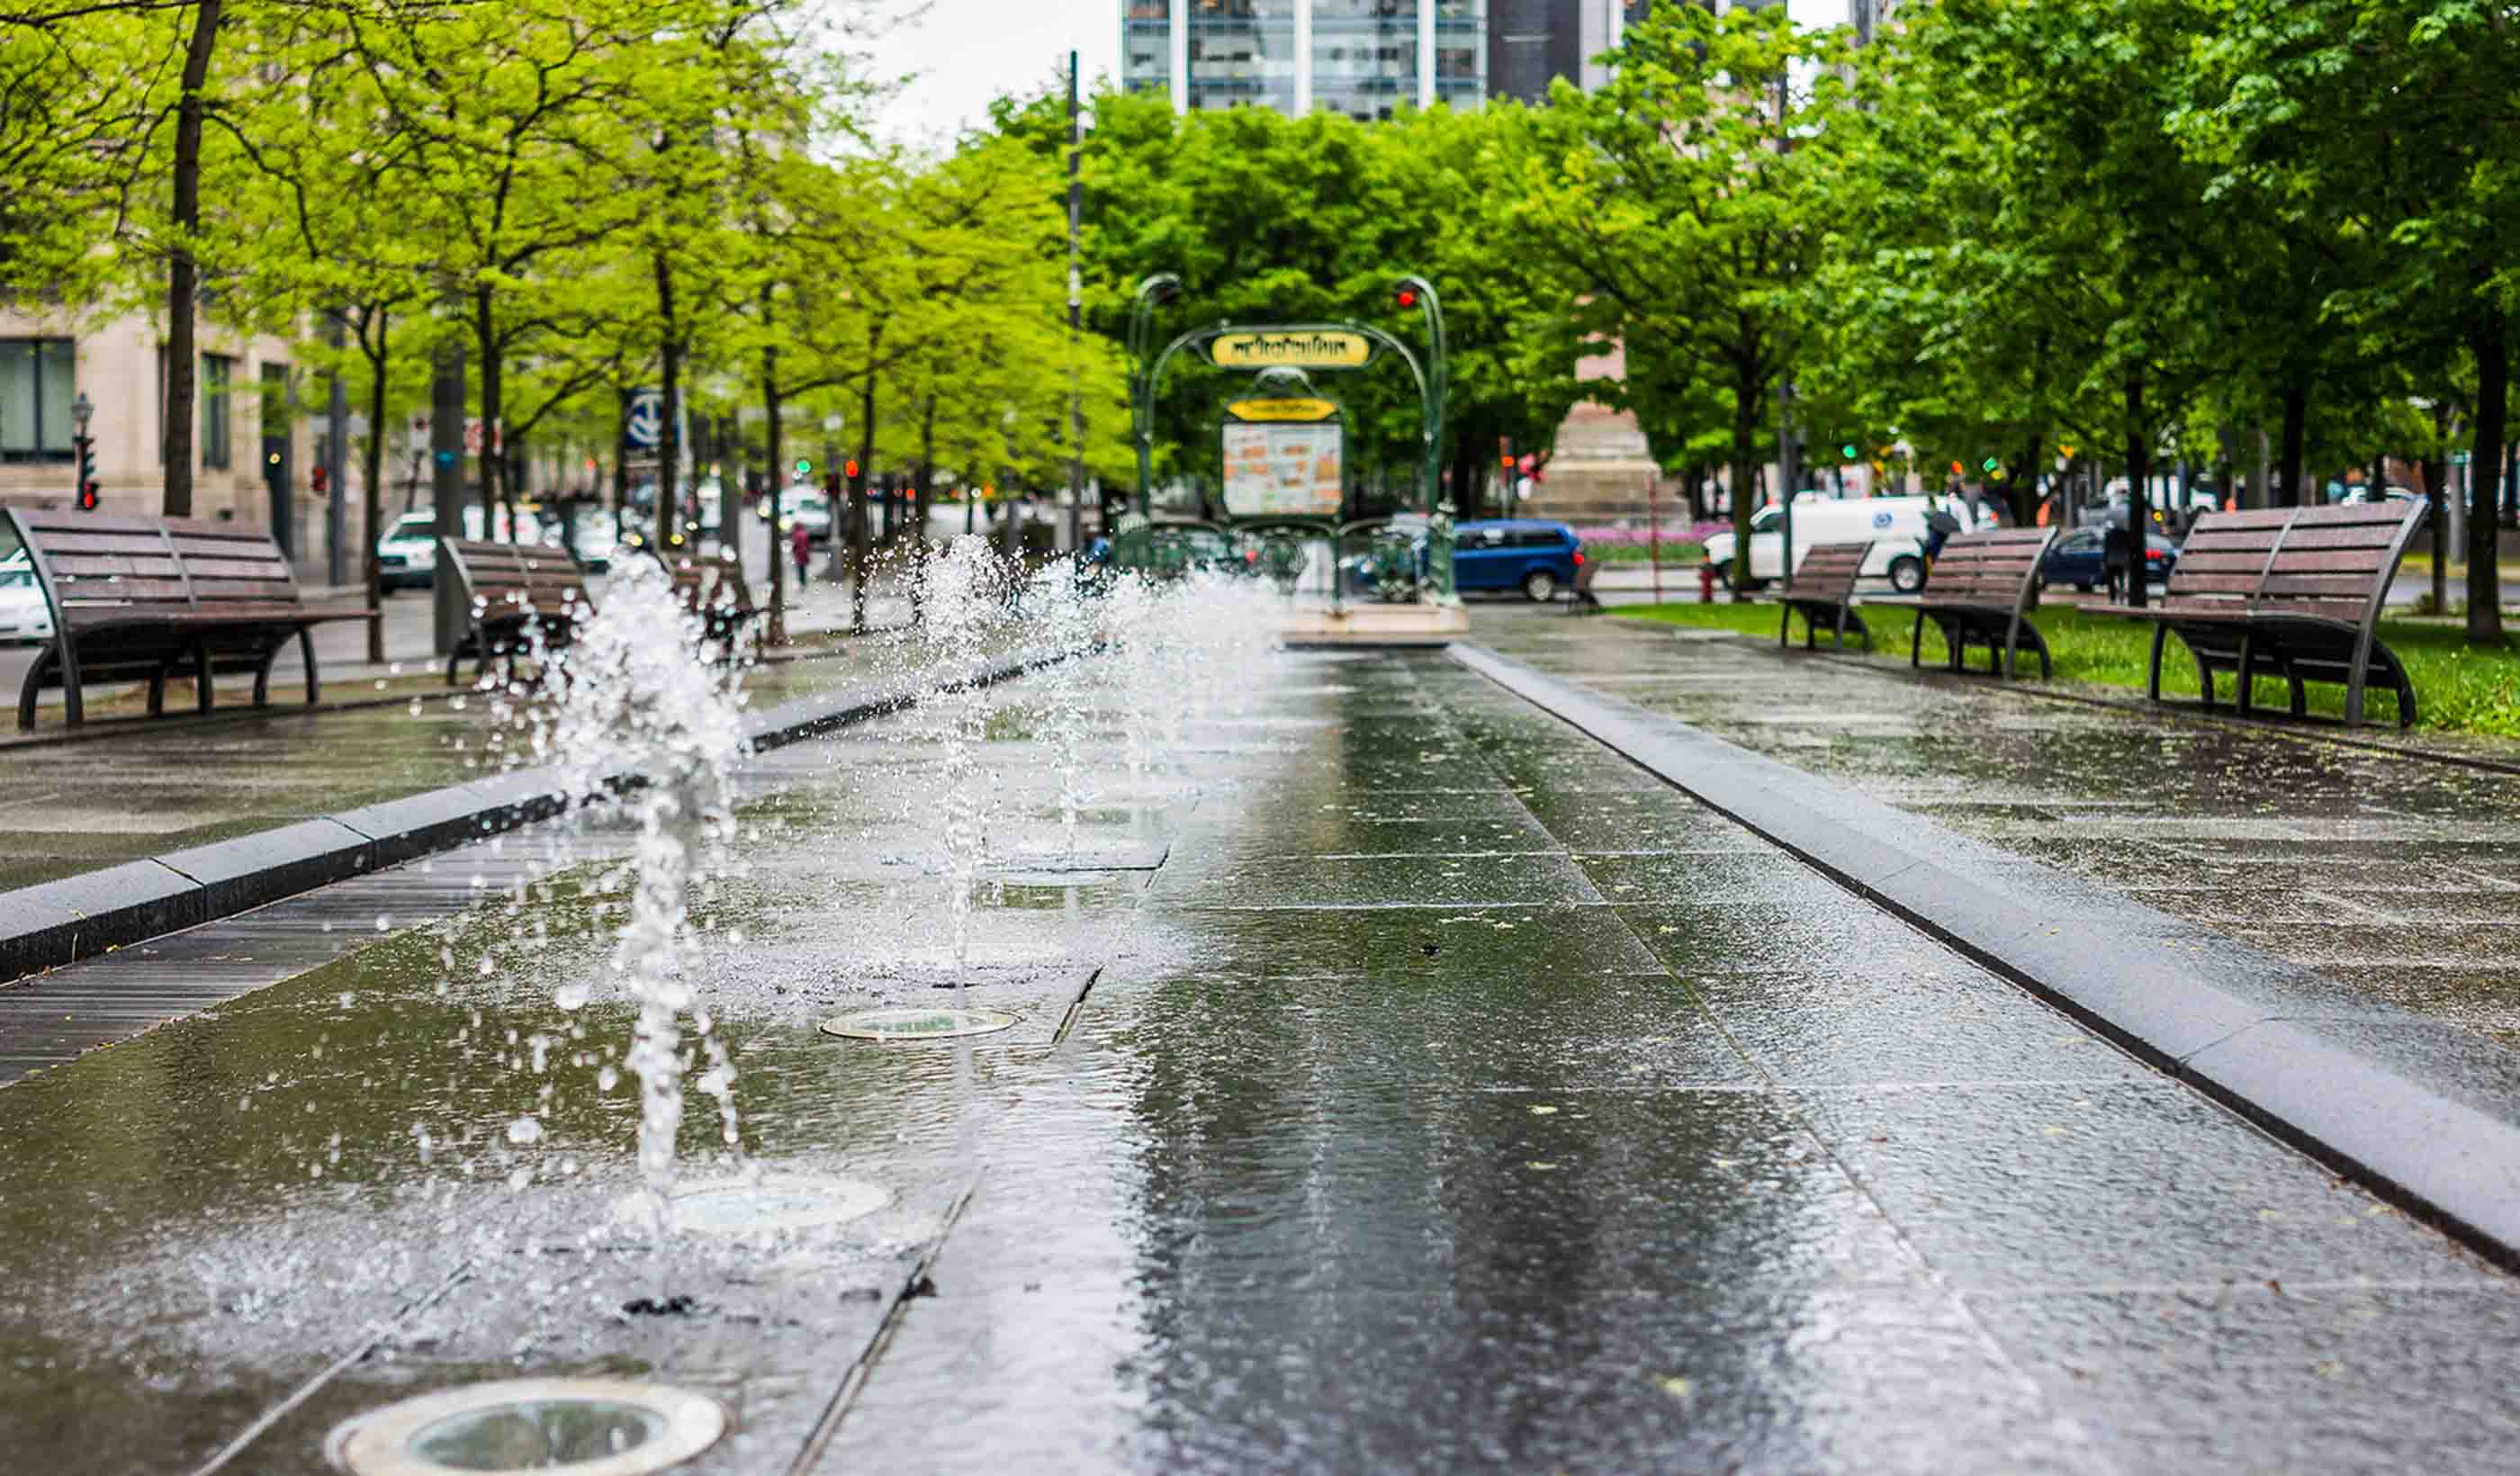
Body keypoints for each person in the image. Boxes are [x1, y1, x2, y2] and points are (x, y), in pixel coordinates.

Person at [789, 518, 811, 588]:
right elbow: (808, 545)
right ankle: (803, 582)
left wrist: (793, 551)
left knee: (800, 569)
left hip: (799, 554)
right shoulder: (804, 533)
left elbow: (795, 545)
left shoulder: (796, 534)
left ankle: (802, 582)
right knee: (803, 569)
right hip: (804, 553)